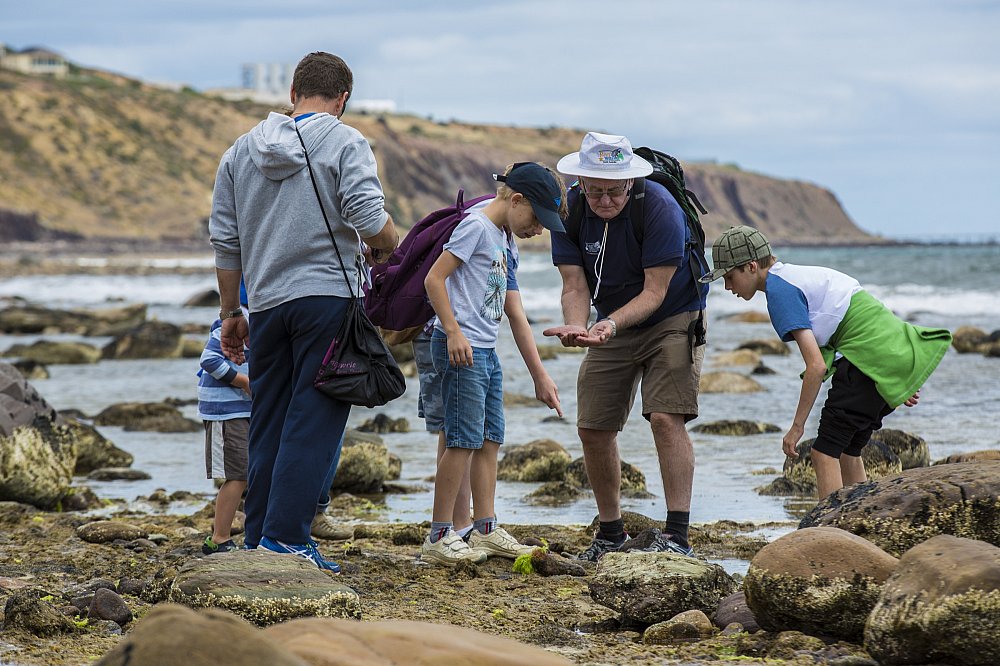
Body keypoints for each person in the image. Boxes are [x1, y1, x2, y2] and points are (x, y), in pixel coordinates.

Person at [209, 52, 399, 571]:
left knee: (269, 419)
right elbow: (365, 214)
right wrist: (390, 240)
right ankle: (287, 539)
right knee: (314, 420)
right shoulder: (345, 140)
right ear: (342, 99)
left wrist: (232, 313)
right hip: (326, 298)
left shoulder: (240, 152)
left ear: (292, 92)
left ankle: (259, 536)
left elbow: (226, 242)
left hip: (267, 304)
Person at [544, 132, 709, 561]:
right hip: (609, 323)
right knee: (593, 426)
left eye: (613, 191)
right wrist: (578, 326)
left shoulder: (659, 208)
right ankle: (610, 533)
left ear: (630, 183)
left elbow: (655, 293)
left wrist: (609, 324)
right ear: (580, 181)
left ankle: (677, 536)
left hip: (673, 316)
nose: (604, 200)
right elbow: (574, 283)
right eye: (594, 190)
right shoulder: (572, 209)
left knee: (665, 418)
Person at [700, 225, 952, 498]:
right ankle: (857, 526)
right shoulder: (797, 275)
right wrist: (896, 371)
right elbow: (871, 316)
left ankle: (829, 534)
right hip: (883, 357)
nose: (727, 287)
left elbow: (816, 366)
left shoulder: (780, 292)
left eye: (728, 277)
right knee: (847, 452)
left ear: (750, 267)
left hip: (865, 363)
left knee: (823, 454)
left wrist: (796, 428)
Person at [420, 162, 565, 566]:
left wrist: (540, 374)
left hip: (486, 350)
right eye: (537, 219)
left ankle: (484, 529)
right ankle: (438, 535)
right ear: (516, 199)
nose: (538, 230)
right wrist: (452, 331)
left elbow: (514, 313)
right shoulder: (475, 227)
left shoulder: (504, 238)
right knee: (462, 438)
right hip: (460, 347)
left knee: (489, 437)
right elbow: (434, 280)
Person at [198, 298, 251, 556]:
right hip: (225, 410)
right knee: (237, 474)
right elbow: (208, 359)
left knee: (251, 472)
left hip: (246, 409)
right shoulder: (240, 321)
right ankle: (219, 537)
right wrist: (243, 382)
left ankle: (253, 532)